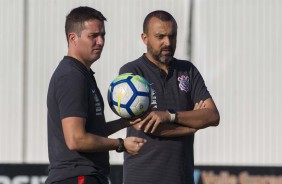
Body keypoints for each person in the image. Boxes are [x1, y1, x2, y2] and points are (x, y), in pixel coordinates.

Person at [46, 6, 146, 184]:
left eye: (103, 35)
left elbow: (90, 132)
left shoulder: (82, 74)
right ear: (72, 38)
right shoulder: (71, 76)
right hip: (76, 177)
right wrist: (121, 144)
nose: (100, 41)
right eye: (93, 36)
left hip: (86, 176)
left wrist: (124, 123)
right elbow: (76, 139)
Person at [119, 10, 220, 184]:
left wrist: (170, 115)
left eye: (172, 36)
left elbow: (212, 116)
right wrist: (192, 126)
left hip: (181, 178)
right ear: (145, 38)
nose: (167, 42)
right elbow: (148, 126)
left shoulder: (187, 70)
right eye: (160, 37)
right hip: (143, 178)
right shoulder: (132, 72)